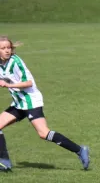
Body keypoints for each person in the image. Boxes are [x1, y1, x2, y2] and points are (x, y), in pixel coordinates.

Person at [0, 36, 89, 171]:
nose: (7, 50)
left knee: (43, 133)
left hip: (31, 101)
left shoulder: (15, 62)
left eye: (9, 47)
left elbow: (28, 83)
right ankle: (4, 162)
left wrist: (7, 85)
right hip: (19, 103)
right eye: (3, 48)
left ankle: (80, 150)